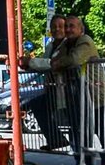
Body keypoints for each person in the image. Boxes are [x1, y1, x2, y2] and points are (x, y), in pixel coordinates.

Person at [58, 15, 105, 165]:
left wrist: (58, 63)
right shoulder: (66, 44)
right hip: (80, 98)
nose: (68, 30)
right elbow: (57, 58)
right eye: (66, 26)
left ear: (81, 29)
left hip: (97, 98)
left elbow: (73, 60)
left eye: (72, 26)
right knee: (81, 136)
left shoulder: (85, 41)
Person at [20, 14, 71, 152]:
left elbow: (52, 64)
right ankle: (56, 139)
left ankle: (67, 144)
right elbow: (44, 64)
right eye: (54, 27)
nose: (57, 29)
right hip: (53, 88)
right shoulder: (50, 45)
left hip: (68, 89)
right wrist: (28, 66)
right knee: (37, 105)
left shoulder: (68, 45)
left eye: (60, 26)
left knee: (74, 121)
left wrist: (30, 62)